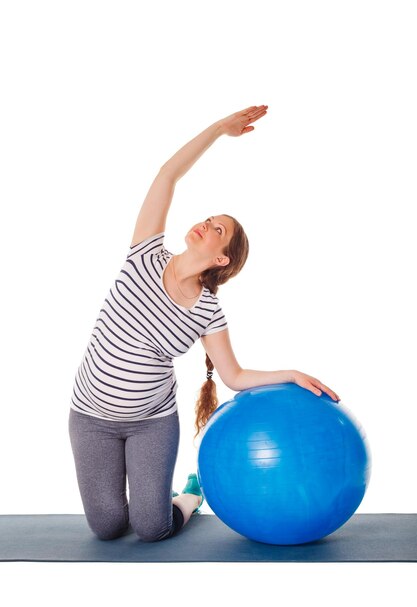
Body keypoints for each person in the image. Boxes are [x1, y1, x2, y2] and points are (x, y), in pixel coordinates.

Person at [68, 104, 341, 542]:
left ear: (220, 258)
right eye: (209, 219)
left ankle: (189, 497)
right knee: (107, 528)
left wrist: (290, 373)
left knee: (151, 528)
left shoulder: (208, 310)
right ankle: (136, 504)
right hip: (90, 417)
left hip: (150, 422)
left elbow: (233, 375)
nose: (206, 224)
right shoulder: (145, 253)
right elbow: (166, 176)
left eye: (218, 230)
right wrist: (218, 130)